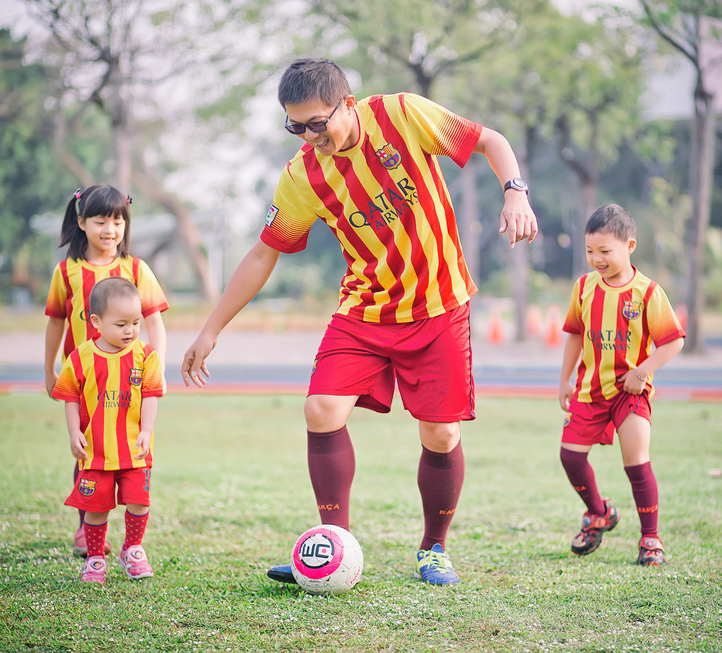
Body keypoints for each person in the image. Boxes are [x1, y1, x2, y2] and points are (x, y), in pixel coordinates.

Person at [181, 57, 537, 586]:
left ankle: (433, 549)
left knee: (440, 434)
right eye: (295, 126)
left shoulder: (401, 114)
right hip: (365, 309)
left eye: (317, 123)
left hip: (439, 305)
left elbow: (491, 140)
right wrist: (211, 328)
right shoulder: (302, 176)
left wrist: (515, 191)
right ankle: (333, 546)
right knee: (321, 409)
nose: (308, 136)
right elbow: (263, 254)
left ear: (348, 105)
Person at [43, 184, 169, 557]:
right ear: (82, 222)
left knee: (132, 449)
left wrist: (156, 367)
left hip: (131, 381)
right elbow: (55, 323)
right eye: (101, 221)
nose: (110, 229)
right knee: (85, 451)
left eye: (118, 221)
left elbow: (154, 321)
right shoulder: (66, 272)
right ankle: (86, 527)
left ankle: (131, 534)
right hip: (85, 383)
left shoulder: (136, 268)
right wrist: (50, 369)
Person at [557, 203, 685, 566]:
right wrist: (564, 380)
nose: (596, 259)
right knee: (569, 455)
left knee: (636, 461)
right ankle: (599, 513)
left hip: (630, 393)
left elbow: (674, 341)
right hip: (589, 390)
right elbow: (573, 335)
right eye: (590, 251)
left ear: (629, 247)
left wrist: (642, 371)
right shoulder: (583, 288)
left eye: (605, 251)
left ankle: (650, 539)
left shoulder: (647, 292)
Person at [52, 277, 164, 583]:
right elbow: (71, 397)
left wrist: (147, 430)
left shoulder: (146, 355)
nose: (130, 331)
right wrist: (74, 431)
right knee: (96, 509)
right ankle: (96, 558)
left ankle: (133, 549)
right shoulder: (81, 358)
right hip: (96, 452)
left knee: (140, 501)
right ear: (97, 322)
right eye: (121, 324)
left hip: (134, 449)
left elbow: (152, 395)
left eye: (136, 322)